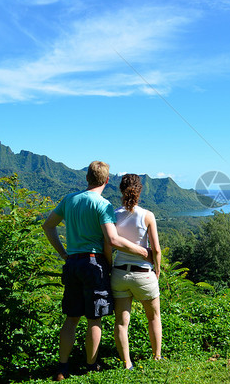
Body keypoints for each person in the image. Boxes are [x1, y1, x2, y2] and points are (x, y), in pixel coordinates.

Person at [42, 161, 150, 381]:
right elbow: (111, 240)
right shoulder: (103, 205)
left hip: (72, 262)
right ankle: (91, 365)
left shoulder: (69, 199)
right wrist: (139, 251)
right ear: (107, 180)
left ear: (87, 178)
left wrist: (64, 254)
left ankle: (63, 367)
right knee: (94, 319)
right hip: (94, 263)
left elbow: (48, 225)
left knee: (71, 318)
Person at [109, 174, 162, 370]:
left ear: (121, 190)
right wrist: (157, 269)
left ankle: (126, 363)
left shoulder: (112, 215)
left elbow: (109, 245)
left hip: (120, 273)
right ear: (140, 191)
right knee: (154, 317)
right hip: (143, 273)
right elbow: (156, 249)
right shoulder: (147, 215)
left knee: (122, 323)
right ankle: (157, 356)